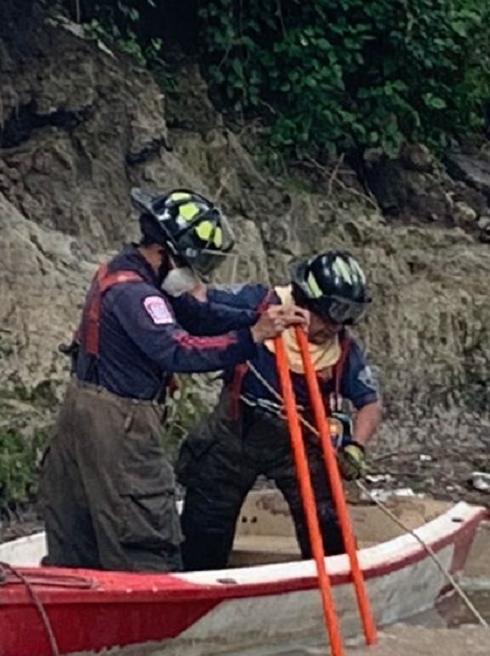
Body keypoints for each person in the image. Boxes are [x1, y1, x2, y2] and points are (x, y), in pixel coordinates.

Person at [38, 188, 307, 572]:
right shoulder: (136, 293)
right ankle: (150, 619)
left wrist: (256, 317)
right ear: (167, 252)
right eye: (191, 265)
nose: (194, 278)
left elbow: (197, 315)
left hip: (86, 408)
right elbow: (178, 351)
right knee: (141, 528)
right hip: (119, 422)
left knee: (81, 530)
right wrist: (252, 338)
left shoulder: (130, 271)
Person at [175, 250, 383, 571]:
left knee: (326, 523)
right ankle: (198, 587)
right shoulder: (257, 302)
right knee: (206, 522)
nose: (333, 327)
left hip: (300, 438)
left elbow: (369, 402)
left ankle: (330, 587)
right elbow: (200, 301)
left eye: (341, 321)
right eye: (327, 318)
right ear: (303, 301)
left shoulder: (342, 349)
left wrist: (356, 447)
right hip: (236, 428)